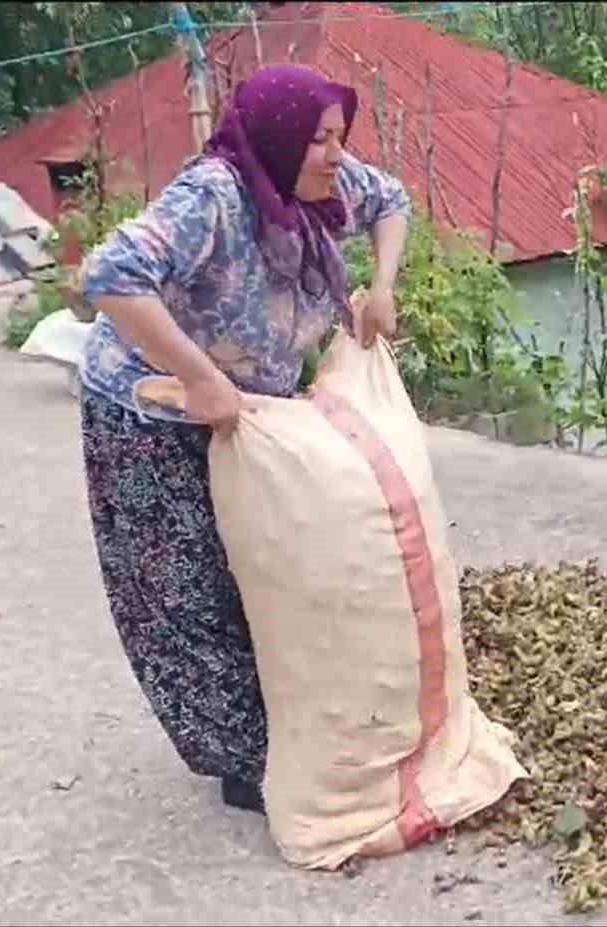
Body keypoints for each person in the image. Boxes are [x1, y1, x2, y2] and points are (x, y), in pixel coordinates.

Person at [77, 64, 410, 813]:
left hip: (248, 411)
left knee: (265, 563)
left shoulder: (321, 184)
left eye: (339, 136)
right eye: (320, 138)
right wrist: (196, 375)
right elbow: (110, 274)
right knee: (188, 588)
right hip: (149, 410)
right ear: (278, 136)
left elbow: (392, 200)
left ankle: (291, 720)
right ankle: (243, 760)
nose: (336, 153)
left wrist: (381, 285)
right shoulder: (214, 198)